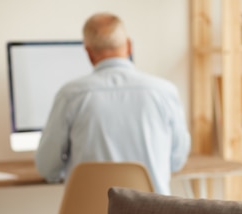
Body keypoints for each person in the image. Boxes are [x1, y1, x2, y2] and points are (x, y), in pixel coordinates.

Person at [35, 12, 190, 195]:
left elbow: (47, 167)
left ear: (88, 53)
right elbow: (176, 161)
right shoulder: (165, 92)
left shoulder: (71, 95)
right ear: (129, 46)